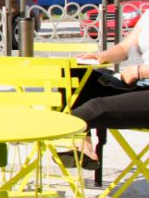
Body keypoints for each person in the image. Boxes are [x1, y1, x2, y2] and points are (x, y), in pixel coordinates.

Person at [64, 16, 149, 169]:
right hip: (139, 84)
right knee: (74, 75)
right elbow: (125, 47)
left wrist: (141, 71)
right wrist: (99, 57)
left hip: (141, 80)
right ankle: (82, 145)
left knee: (97, 107)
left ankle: (47, 128)